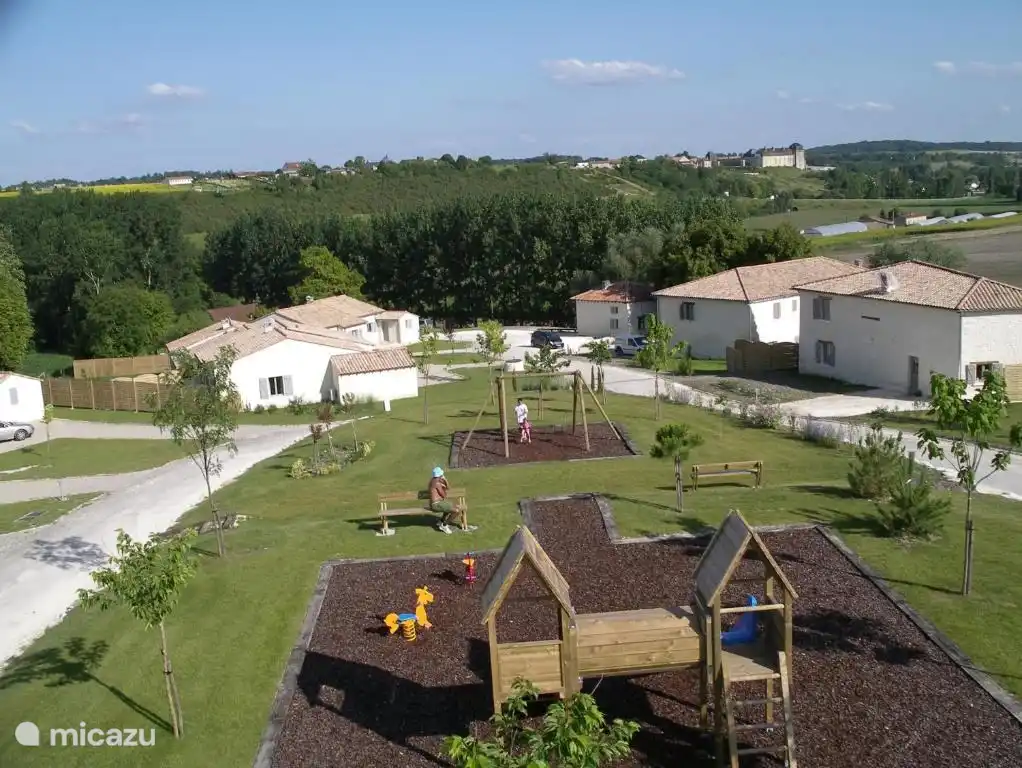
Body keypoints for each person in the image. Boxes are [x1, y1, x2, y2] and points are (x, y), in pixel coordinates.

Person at [428, 467, 469, 534]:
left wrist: (445, 482)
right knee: (457, 511)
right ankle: (444, 525)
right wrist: (444, 481)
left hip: (436, 503)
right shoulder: (437, 483)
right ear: (440, 475)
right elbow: (444, 495)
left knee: (451, 505)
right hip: (436, 504)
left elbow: (447, 488)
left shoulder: (433, 481)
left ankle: (441, 521)